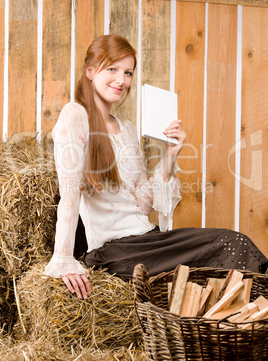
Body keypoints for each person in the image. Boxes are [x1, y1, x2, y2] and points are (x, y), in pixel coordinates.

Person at [44, 35, 267, 300]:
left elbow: (144, 204)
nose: (121, 80)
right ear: (91, 71)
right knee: (230, 245)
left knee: (234, 242)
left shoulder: (127, 129)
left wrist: (170, 154)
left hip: (148, 239)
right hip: (116, 253)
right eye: (112, 69)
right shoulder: (75, 116)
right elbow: (69, 195)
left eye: (127, 72)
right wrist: (63, 260)